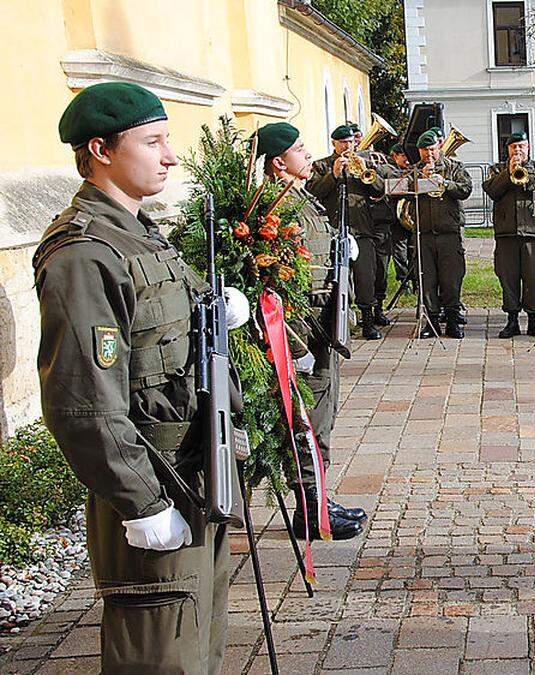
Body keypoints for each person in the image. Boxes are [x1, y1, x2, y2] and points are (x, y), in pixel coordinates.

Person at [37, 82, 239, 672]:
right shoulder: (84, 252)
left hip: (192, 474)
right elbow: (82, 402)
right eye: (153, 142)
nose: (170, 156)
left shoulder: (139, 232)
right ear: (100, 149)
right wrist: (142, 503)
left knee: (197, 644)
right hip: (152, 482)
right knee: (159, 657)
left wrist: (215, 306)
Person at [255, 122, 365, 540]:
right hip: (302, 331)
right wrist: (293, 343)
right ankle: (310, 508)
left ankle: (318, 495)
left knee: (322, 416)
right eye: (300, 149)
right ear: (279, 161)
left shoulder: (302, 201)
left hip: (324, 327)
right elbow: (275, 284)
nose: (308, 155)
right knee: (305, 421)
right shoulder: (274, 210)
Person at [309, 124, 388, 340]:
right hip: (334, 230)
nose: (347, 146)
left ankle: (368, 321)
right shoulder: (321, 165)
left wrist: (364, 172)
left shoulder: (363, 163)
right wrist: (333, 175)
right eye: (343, 142)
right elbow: (313, 192)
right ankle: (336, 323)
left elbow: (379, 190)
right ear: (334, 143)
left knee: (365, 277)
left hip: (362, 229)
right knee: (333, 278)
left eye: (351, 142)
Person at [483, 131, 535, 337]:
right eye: (513, 147)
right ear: (507, 150)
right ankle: (512, 320)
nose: (517, 151)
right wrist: (509, 172)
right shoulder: (497, 169)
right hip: (506, 233)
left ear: (528, 147)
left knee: (534, 278)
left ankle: (534, 320)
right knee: (508, 278)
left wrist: (528, 182)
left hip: (533, 232)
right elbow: (492, 191)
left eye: (521, 146)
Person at [412, 129, 472, 339]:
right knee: (427, 280)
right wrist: (418, 180)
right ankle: (431, 322)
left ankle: (453, 321)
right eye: (424, 150)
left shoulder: (454, 167)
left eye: (432, 149)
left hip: (449, 233)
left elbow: (466, 189)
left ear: (439, 147)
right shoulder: (414, 171)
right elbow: (401, 192)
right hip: (424, 233)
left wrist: (445, 183)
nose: (428, 154)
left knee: (451, 279)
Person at [387, 141, 415, 295]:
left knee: (414, 251)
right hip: (396, 220)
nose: (406, 159)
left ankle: (416, 281)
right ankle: (404, 282)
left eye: (407, 155)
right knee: (400, 252)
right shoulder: (390, 170)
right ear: (395, 156)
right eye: (403, 155)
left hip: (412, 218)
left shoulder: (414, 169)